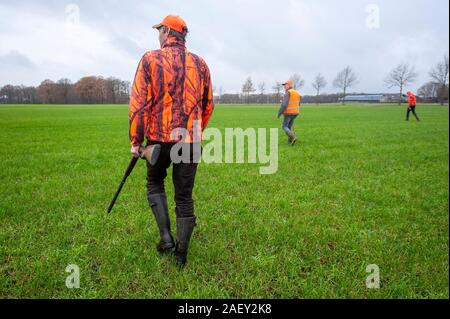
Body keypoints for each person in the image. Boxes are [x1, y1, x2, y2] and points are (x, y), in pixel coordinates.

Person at [128, 15, 214, 267]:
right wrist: (195, 132)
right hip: (190, 141)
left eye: (159, 30)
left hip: (158, 140)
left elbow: (139, 105)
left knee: (155, 181)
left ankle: (166, 238)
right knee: (184, 196)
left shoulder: (149, 59)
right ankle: (181, 255)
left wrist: (136, 141)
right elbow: (208, 105)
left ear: (167, 32)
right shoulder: (200, 64)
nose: (158, 35)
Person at [277, 80, 301, 145]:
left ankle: (293, 137)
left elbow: (284, 105)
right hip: (295, 112)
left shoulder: (288, 93)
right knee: (289, 127)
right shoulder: (297, 93)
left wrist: (279, 113)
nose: (284, 86)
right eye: (284, 85)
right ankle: (290, 141)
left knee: (284, 126)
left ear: (290, 85)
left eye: (286, 85)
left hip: (288, 113)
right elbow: (299, 103)